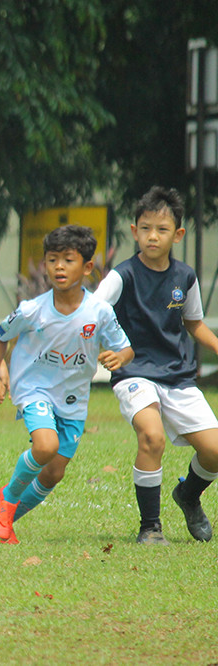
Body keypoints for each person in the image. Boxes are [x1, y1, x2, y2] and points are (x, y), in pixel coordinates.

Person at [0, 224, 132, 544]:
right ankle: (6, 499)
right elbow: (0, 336)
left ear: (88, 266)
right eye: (52, 260)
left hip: (74, 400)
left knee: (54, 472)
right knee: (45, 446)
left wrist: (121, 358)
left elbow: (125, 347)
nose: (59, 267)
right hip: (33, 389)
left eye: (68, 260)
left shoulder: (100, 312)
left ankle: (4, 520)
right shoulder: (33, 310)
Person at [94, 186, 218, 544]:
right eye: (145, 228)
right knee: (152, 436)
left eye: (161, 229)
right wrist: (111, 348)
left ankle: (189, 496)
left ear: (177, 234)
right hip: (134, 374)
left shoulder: (185, 277)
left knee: (213, 452)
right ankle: (150, 527)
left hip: (177, 377)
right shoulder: (123, 276)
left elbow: (193, 324)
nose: (152, 236)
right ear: (134, 231)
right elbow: (94, 314)